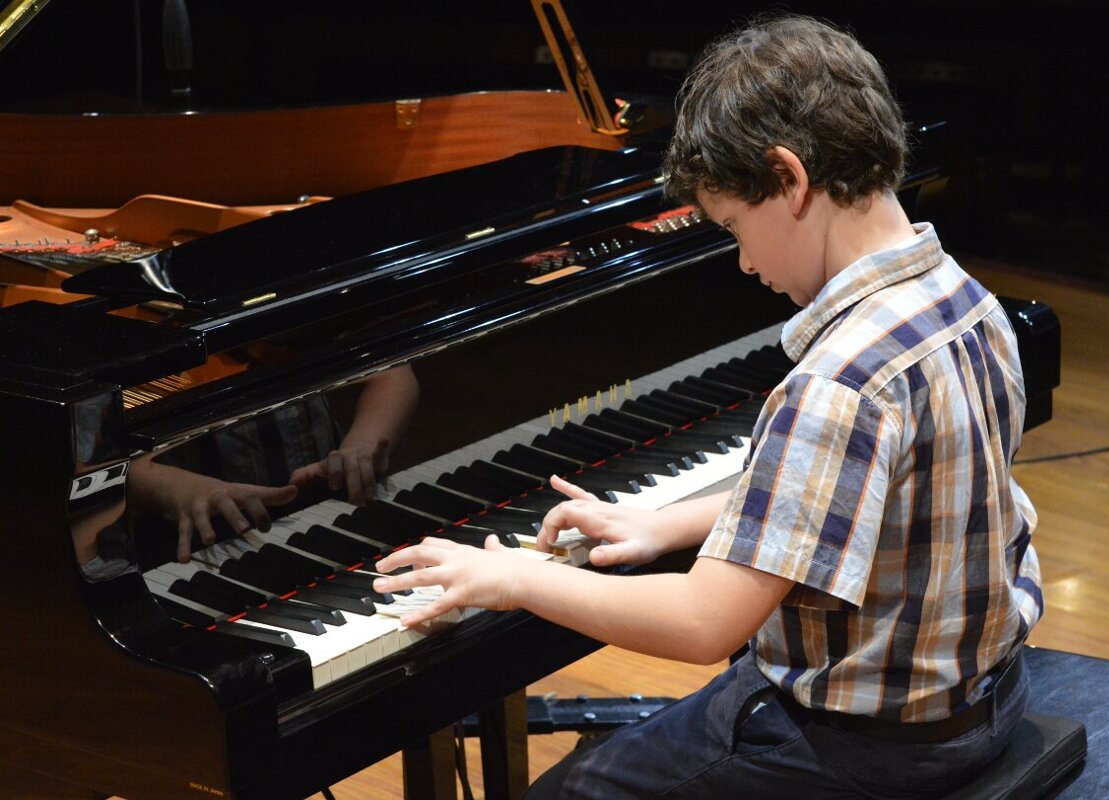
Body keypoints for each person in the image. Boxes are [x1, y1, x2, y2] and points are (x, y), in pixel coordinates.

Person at [370, 13, 1043, 799]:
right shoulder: (967, 303)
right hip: (983, 704)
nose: (744, 261)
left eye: (733, 226)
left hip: (862, 750)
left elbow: (702, 623)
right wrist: (667, 523)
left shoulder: (837, 382)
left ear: (789, 179)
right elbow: (859, 495)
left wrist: (512, 578)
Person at [130, 364, 418, 562]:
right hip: (210, 537)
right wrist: (179, 489)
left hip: (333, 499)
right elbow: (115, 458)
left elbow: (392, 373)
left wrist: (362, 445)